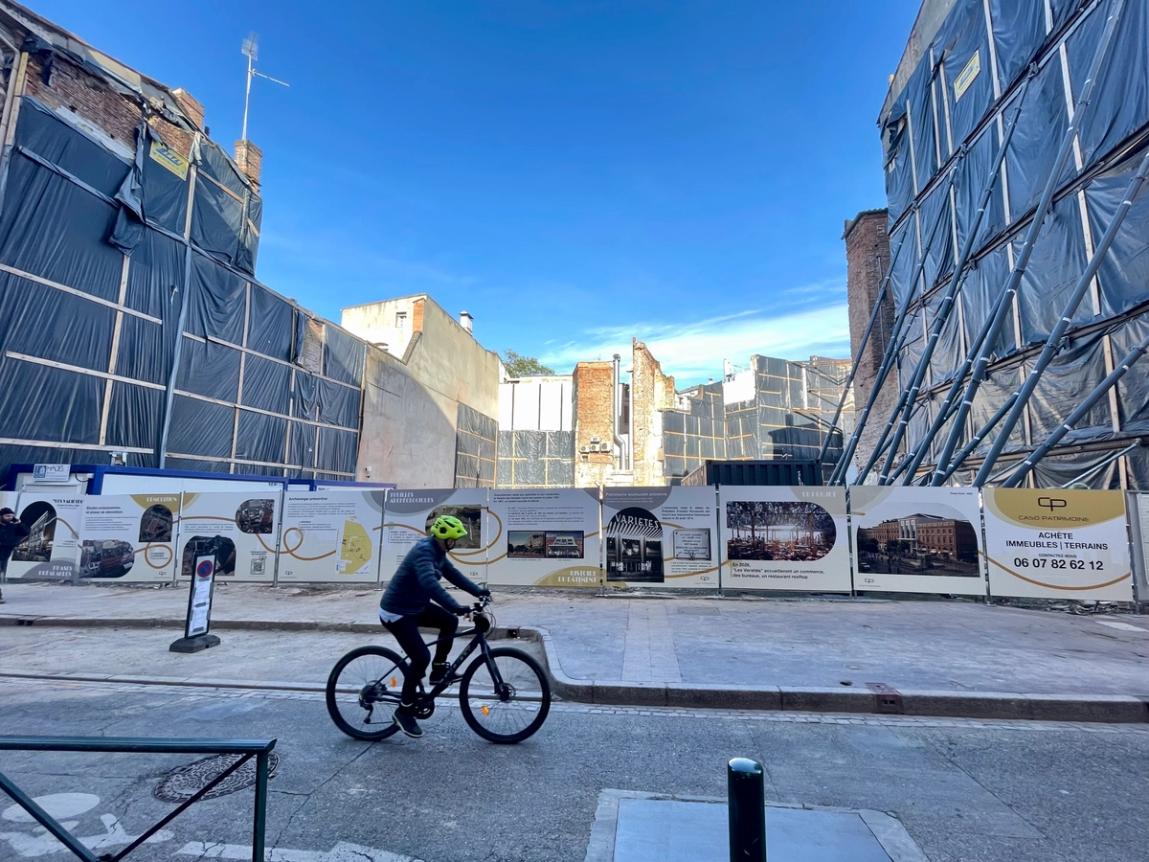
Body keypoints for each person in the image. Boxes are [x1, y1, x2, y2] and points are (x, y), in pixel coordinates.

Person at [378, 514, 489, 738]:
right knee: (420, 658)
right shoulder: (424, 552)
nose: (456, 543)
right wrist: (456, 605)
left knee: (449, 621)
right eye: (455, 539)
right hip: (397, 612)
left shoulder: (438, 551)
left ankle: (438, 671)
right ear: (445, 538)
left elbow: (453, 574)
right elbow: (429, 584)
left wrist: (478, 591)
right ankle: (404, 711)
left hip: (415, 607)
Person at [0, 508, 29, 604]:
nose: (10, 518)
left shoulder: (13, 526)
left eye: (11, 516)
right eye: (7, 516)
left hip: (5, 552)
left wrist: (19, 523)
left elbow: (25, 532)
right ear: (1, 516)